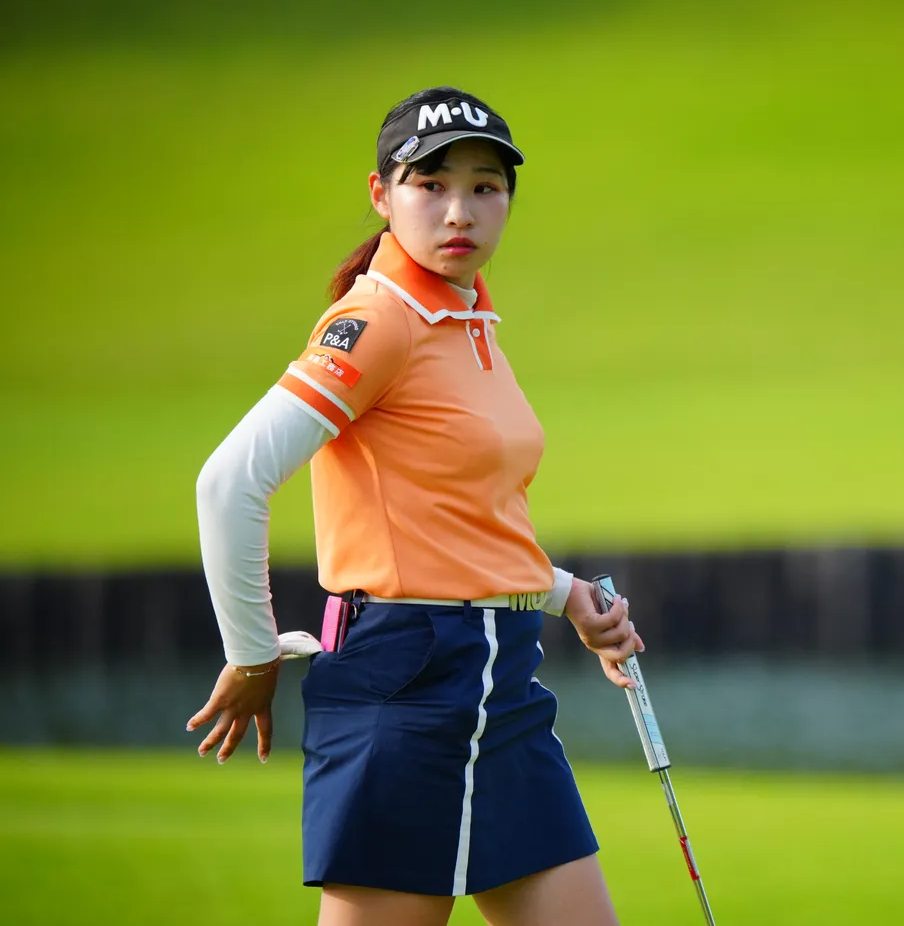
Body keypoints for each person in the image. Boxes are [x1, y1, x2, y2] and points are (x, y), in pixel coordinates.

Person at [188, 85, 644, 926]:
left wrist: (564, 594)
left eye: (484, 186)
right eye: (430, 185)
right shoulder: (379, 320)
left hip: (502, 688)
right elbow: (228, 484)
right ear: (381, 194)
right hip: (402, 689)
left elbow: (455, 520)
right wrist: (252, 658)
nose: (459, 210)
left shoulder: (470, 322)